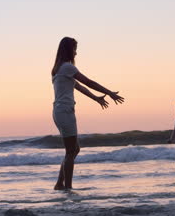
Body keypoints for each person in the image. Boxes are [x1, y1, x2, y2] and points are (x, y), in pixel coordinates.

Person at [51, 37, 124, 190]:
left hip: (59, 111)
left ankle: (60, 183)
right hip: (65, 111)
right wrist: (109, 92)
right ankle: (68, 187)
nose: (76, 53)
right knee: (71, 151)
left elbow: (79, 87)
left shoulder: (58, 69)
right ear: (68, 50)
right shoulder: (67, 67)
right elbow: (88, 82)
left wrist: (96, 98)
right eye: (75, 49)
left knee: (73, 149)